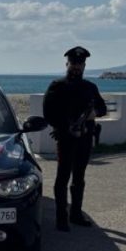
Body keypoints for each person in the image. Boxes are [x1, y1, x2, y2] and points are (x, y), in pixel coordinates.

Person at [43, 46, 107, 232]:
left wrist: (93, 114)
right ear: (67, 64)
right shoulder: (57, 85)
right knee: (63, 177)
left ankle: (76, 214)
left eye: (80, 64)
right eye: (73, 63)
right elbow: (49, 113)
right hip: (66, 137)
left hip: (85, 138)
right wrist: (66, 125)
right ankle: (61, 217)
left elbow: (102, 108)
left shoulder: (90, 87)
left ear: (84, 66)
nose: (76, 66)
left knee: (79, 177)